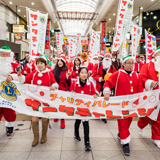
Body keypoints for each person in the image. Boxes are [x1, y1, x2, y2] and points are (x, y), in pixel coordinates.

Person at [103, 55, 144, 156]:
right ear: (124, 64)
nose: (131, 65)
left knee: (128, 121)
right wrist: (107, 92)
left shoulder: (136, 75)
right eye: (129, 63)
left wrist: (141, 99)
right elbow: (107, 83)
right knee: (123, 121)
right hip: (120, 105)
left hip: (131, 105)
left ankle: (121, 134)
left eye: (132, 63)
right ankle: (125, 143)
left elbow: (140, 89)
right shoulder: (117, 74)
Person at [15, 54, 58, 147]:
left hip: (45, 100)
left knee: (44, 118)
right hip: (34, 100)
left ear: (45, 64)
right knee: (34, 118)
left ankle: (44, 135)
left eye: (42, 63)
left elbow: (55, 83)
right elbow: (24, 80)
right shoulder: (34, 73)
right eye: (38, 63)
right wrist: (19, 75)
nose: (40, 65)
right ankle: (35, 137)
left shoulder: (49, 73)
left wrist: (54, 86)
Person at [137, 47, 160, 148]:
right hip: (152, 95)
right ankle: (140, 124)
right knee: (148, 114)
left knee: (158, 117)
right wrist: (151, 82)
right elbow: (141, 78)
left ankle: (156, 137)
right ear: (155, 55)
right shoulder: (147, 65)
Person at [70, 67, 97, 150]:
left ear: (88, 74)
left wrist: (94, 96)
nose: (84, 74)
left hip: (86, 108)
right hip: (77, 107)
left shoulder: (90, 84)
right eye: (82, 72)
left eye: (85, 73)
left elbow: (93, 93)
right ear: (79, 74)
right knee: (77, 121)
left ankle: (87, 142)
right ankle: (76, 133)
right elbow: (70, 92)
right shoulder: (74, 84)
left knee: (86, 124)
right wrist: (72, 93)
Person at [0, 46, 20, 136]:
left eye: (7, 55)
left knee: (9, 109)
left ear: (10, 55)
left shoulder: (15, 65)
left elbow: (20, 75)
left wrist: (12, 77)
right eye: (2, 54)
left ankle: (9, 127)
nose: (4, 56)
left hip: (9, 91)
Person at [52, 53, 70, 129]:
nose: (59, 62)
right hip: (55, 91)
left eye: (61, 61)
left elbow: (70, 83)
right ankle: (56, 115)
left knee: (62, 106)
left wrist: (68, 78)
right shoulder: (53, 70)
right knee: (55, 104)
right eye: (58, 60)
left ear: (64, 62)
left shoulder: (67, 71)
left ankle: (62, 120)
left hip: (63, 91)